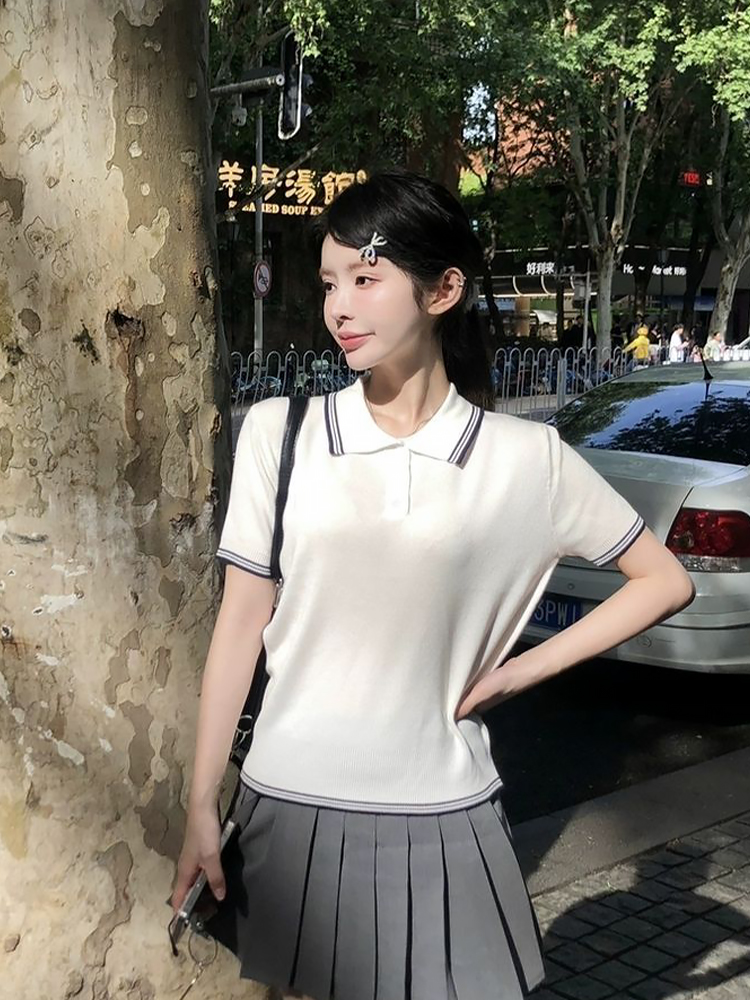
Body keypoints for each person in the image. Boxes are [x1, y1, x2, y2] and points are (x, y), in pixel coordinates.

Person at [172, 170, 695, 1000]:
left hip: (443, 802)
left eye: (366, 278)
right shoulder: (281, 432)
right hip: (289, 796)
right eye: (330, 283)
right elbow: (241, 622)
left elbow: (662, 581)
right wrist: (203, 801)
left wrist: (519, 672)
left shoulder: (526, 459)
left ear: (443, 290)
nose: (340, 307)